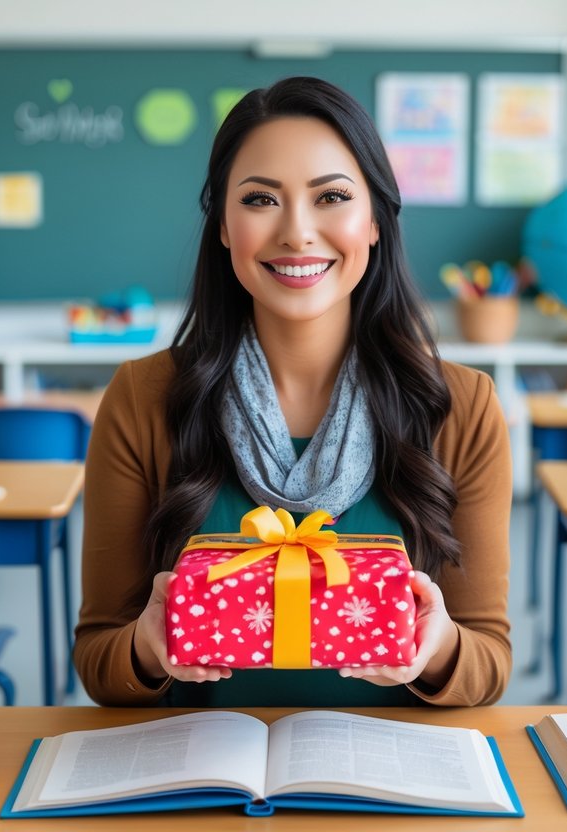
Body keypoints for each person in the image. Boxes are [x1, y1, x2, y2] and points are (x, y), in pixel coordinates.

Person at [74, 76, 511, 708]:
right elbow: (97, 659)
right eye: (260, 200)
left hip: (386, 779)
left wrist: (437, 647)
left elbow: (490, 660)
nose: (298, 233)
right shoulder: (141, 397)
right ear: (222, 225)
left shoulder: (463, 406)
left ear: (375, 221)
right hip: (201, 783)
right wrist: (146, 644)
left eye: (331, 196)